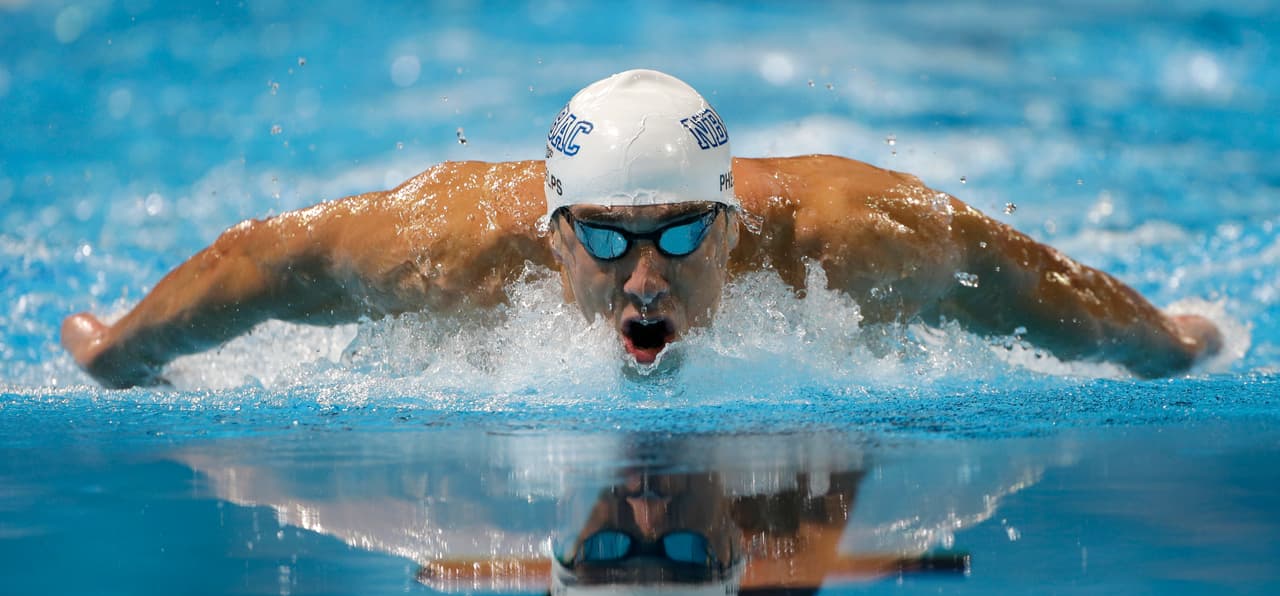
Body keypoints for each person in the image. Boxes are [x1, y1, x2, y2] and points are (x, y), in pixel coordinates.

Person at [61, 69, 1222, 388]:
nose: (644, 276)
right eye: (609, 239)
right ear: (552, 230)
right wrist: (122, 350)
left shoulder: (853, 237)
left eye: (677, 233)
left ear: (729, 223)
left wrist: (1161, 343)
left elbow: (1019, 275)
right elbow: (262, 259)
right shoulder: (443, 243)